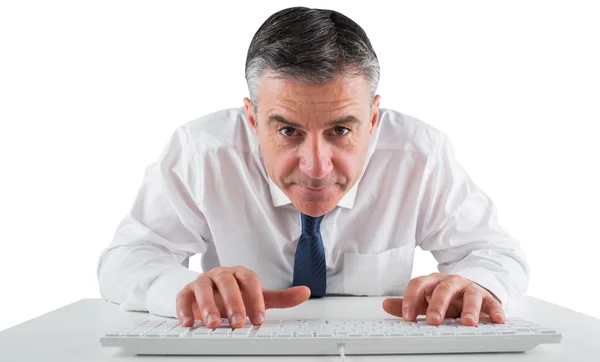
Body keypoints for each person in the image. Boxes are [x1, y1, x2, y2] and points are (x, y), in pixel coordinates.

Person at [96, 6, 530, 330]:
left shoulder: (420, 155)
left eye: (341, 129)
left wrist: (477, 285)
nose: (317, 167)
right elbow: (127, 258)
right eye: (287, 131)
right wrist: (185, 290)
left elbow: (496, 253)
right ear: (252, 118)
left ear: (374, 117)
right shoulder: (201, 152)